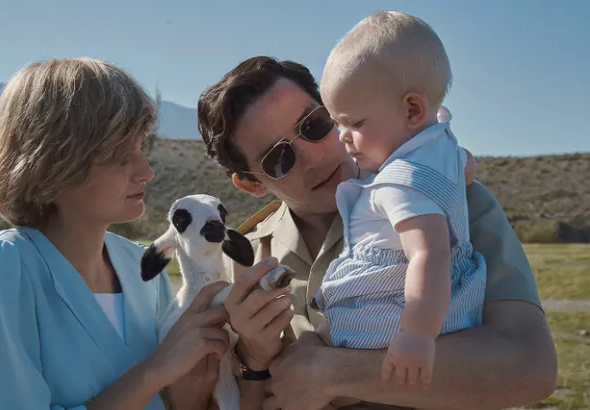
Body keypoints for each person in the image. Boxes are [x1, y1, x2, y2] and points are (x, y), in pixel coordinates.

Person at [197, 54, 557, 409]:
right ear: (251, 184)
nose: (313, 157)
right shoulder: (240, 261)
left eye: (314, 125)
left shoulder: (447, 200)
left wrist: (337, 374)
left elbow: (530, 367)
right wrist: (255, 360)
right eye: (278, 158)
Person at [0, 57, 291, 410]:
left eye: (140, 148)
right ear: (53, 161)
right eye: (119, 155)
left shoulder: (141, 267)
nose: (146, 171)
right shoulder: (5, 267)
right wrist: (156, 371)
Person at [313, 11, 487, 391]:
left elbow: (429, 254)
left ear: (412, 110)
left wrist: (416, 336)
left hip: (396, 311)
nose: (343, 136)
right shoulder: (444, 145)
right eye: (338, 123)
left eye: (355, 123)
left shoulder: (400, 183)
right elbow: (468, 167)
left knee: (313, 347)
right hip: (455, 302)